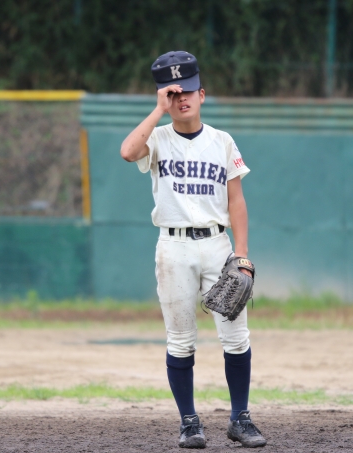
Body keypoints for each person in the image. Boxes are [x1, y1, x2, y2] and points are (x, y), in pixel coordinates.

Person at [120, 51, 267, 449]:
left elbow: (236, 200)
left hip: (218, 246)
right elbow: (128, 152)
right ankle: (189, 423)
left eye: (187, 91)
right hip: (173, 248)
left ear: (202, 94)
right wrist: (157, 111)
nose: (181, 98)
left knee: (236, 338)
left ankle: (240, 419)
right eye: (173, 93)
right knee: (181, 341)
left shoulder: (222, 141)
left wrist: (241, 254)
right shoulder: (157, 139)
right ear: (164, 98)